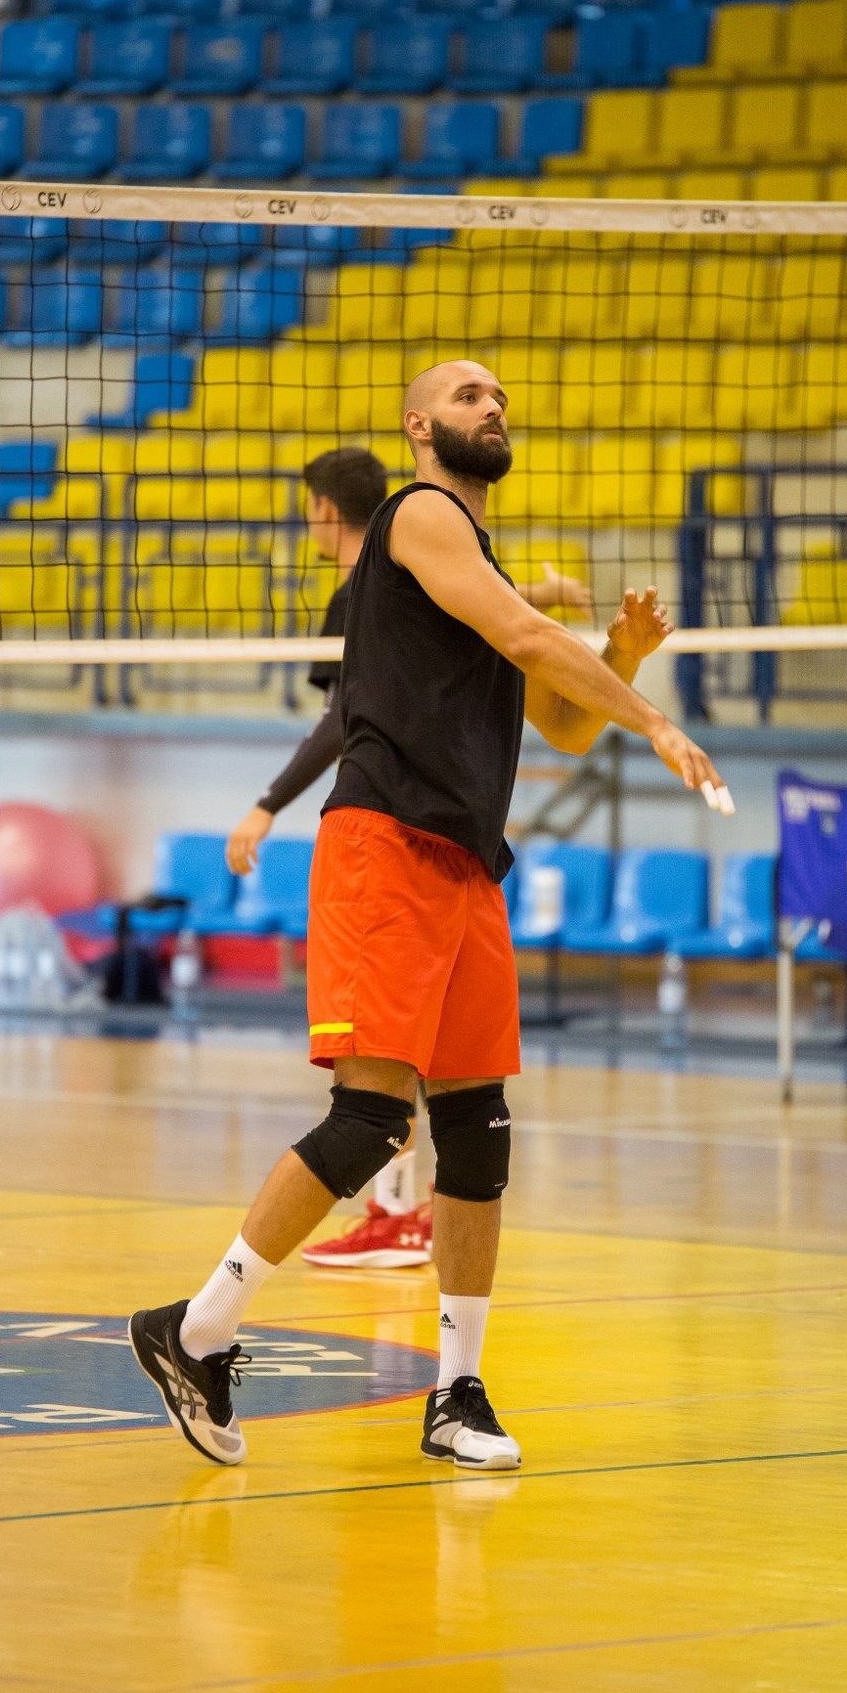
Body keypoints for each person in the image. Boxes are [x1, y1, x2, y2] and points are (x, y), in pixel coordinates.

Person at [129, 358, 733, 1473]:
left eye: (500, 396)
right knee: (370, 1120)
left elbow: (560, 722)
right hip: (386, 844)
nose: (492, 406)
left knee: (478, 1128)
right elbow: (536, 646)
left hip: (465, 862)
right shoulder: (418, 517)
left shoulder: (479, 563)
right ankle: (196, 1328)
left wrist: (623, 659)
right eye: (467, 396)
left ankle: (457, 1392)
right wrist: (653, 717)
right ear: (418, 426)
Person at [224, 444, 595, 1271]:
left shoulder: (367, 586)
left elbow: (342, 719)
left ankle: (395, 1213)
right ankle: (389, 1208)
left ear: (323, 510)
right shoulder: (425, 564)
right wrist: (547, 597)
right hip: (426, 836)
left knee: (404, 1082)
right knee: (399, 1076)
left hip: (420, 839)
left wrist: (267, 802)